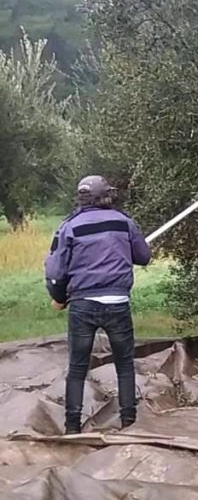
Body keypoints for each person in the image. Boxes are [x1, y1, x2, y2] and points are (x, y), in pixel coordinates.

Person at [44, 175, 152, 435]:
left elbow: (56, 269)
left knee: (77, 367)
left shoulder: (69, 226)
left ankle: (72, 428)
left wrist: (58, 296)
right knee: (124, 364)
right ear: (106, 196)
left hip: (83, 305)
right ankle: (129, 423)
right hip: (117, 303)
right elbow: (143, 257)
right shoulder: (124, 222)